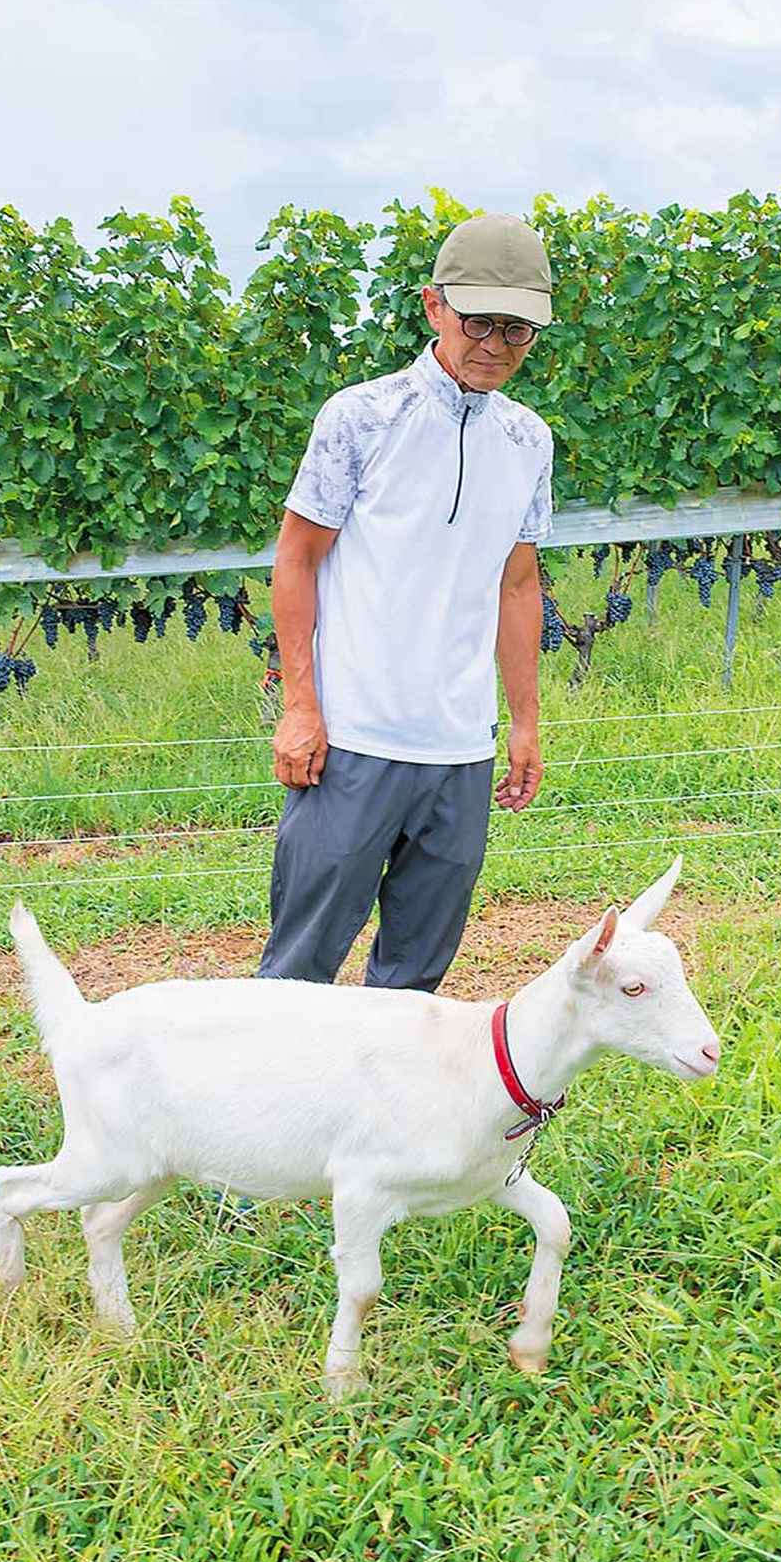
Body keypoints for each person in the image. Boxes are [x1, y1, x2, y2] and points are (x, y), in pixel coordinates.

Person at [258, 212, 555, 994]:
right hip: (353, 742)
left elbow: (517, 586)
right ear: (433, 307)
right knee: (297, 978)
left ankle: (375, 1121)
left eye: (518, 330)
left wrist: (522, 724)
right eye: (478, 321)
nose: (494, 344)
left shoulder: (529, 441)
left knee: (413, 985)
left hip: (460, 752)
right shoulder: (361, 417)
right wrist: (301, 707)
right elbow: (295, 560)